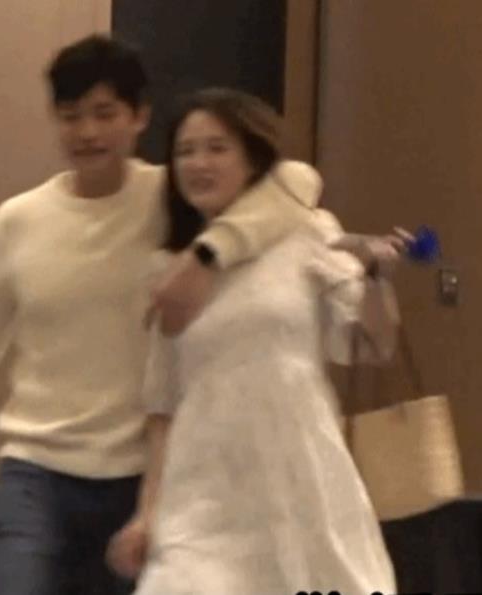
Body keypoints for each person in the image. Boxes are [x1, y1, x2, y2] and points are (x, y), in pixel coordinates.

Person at [0, 37, 322, 595]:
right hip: (36, 471)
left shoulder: (172, 199)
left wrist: (207, 253)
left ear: (140, 116)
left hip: (141, 478)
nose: (87, 132)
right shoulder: (19, 221)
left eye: (105, 114)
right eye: (71, 116)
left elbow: (298, 183)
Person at [107, 88, 406, 595]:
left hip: (298, 476)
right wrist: (147, 512)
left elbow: (370, 345)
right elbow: (163, 403)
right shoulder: (171, 270)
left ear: (251, 159)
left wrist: (377, 277)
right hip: (202, 488)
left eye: (217, 148)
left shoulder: (308, 232)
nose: (199, 164)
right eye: (185, 151)